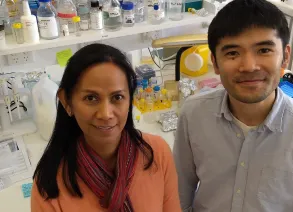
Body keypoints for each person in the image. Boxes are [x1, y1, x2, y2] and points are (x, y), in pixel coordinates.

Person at [173, 0, 293, 211]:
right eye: (232, 53)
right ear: (215, 62)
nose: (249, 66)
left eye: (263, 50)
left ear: (285, 57)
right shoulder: (193, 114)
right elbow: (179, 194)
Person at [31, 44, 181, 212]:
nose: (105, 114)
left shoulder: (157, 153)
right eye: (91, 98)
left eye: (117, 97)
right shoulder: (49, 184)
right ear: (66, 101)